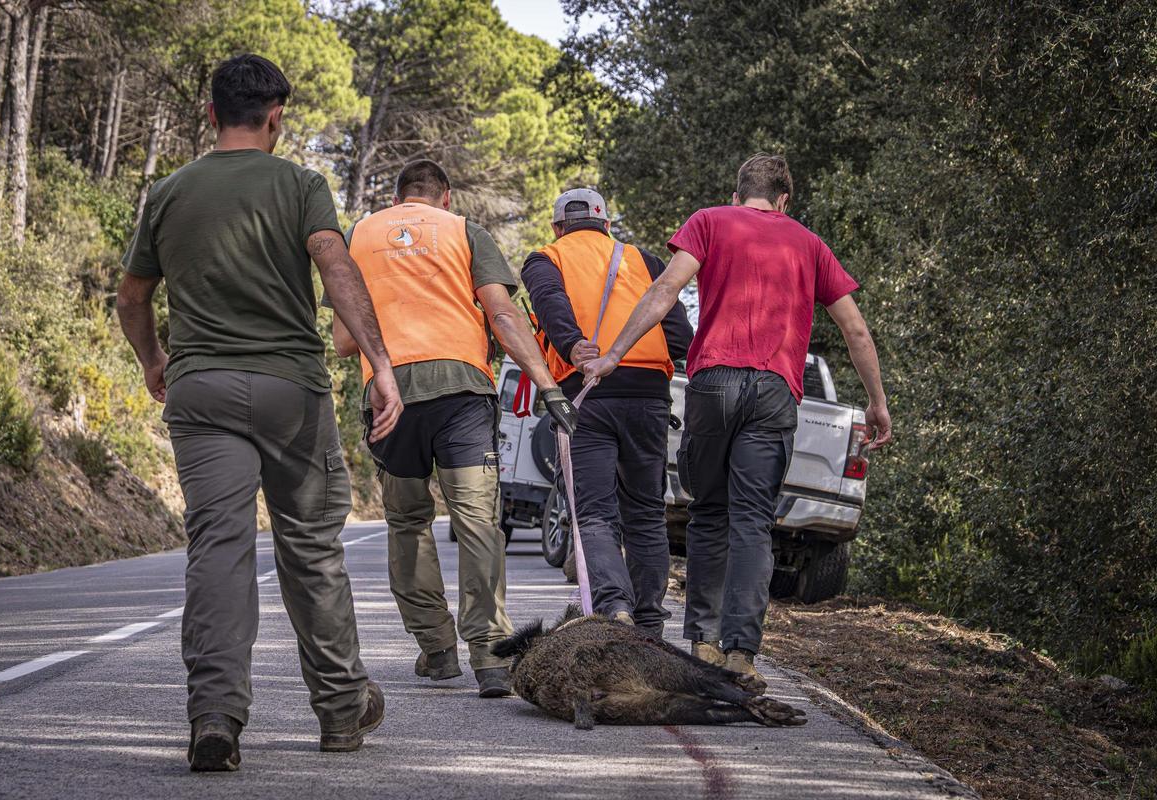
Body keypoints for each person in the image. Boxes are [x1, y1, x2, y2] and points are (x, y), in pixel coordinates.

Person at [117, 54, 403, 771]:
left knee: (218, 549)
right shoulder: (301, 185)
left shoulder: (170, 191)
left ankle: (215, 716)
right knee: (309, 547)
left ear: (211, 114)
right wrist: (380, 364)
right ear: (275, 117)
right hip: (289, 392)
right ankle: (340, 712)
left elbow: (131, 297)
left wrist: (154, 360)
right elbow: (336, 267)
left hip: (202, 388)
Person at [583, 154, 892, 679]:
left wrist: (613, 354)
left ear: (737, 194)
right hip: (774, 392)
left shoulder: (709, 222)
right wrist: (877, 402)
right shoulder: (809, 244)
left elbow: (663, 292)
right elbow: (856, 330)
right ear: (784, 200)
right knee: (752, 521)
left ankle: (702, 641)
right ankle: (742, 654)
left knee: (709, 514)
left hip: (714, 384)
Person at [328, 159, 576, 698]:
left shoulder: (359, 236)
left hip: (391, 394)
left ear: (398, 199)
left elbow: (345, 343)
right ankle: (489, 655)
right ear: (445, 197)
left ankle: (437, 649)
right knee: (477, 523)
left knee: (408, 521)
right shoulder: (466, 231)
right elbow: (504, 317)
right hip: (462, 392)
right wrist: (549, 387)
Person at [521, 189, 692, 635]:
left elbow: (549, 303)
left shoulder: (545, 258)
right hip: (649, 396)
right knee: (646, 512)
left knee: (596, 513)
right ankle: (650, 621)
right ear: (607, 225)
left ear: (558, 227)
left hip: (586, 395)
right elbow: (679, 335)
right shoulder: (646, 260)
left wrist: (574, 346)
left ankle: (615, 607)